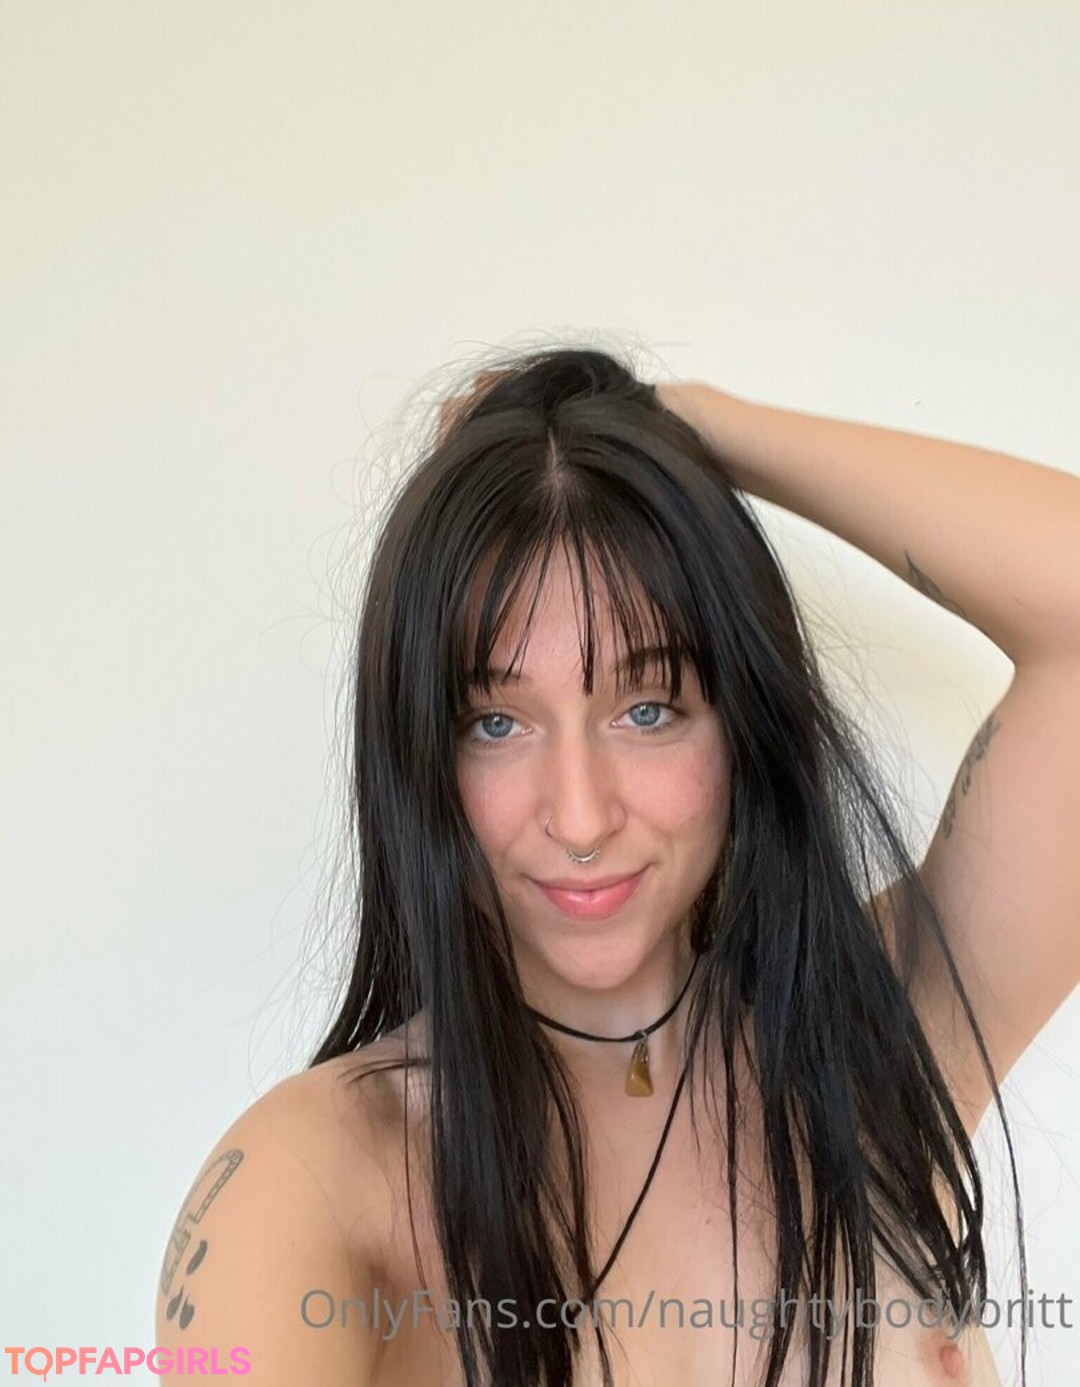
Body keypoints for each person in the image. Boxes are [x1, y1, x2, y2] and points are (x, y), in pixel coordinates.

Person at [155, 346, 1080, 1386]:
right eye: (496, 722)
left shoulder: (870, 1042)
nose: (582, 816)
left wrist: (693, 427)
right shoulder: (318, 1177)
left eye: (647, 709)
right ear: (419, 754)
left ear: (742, 727)